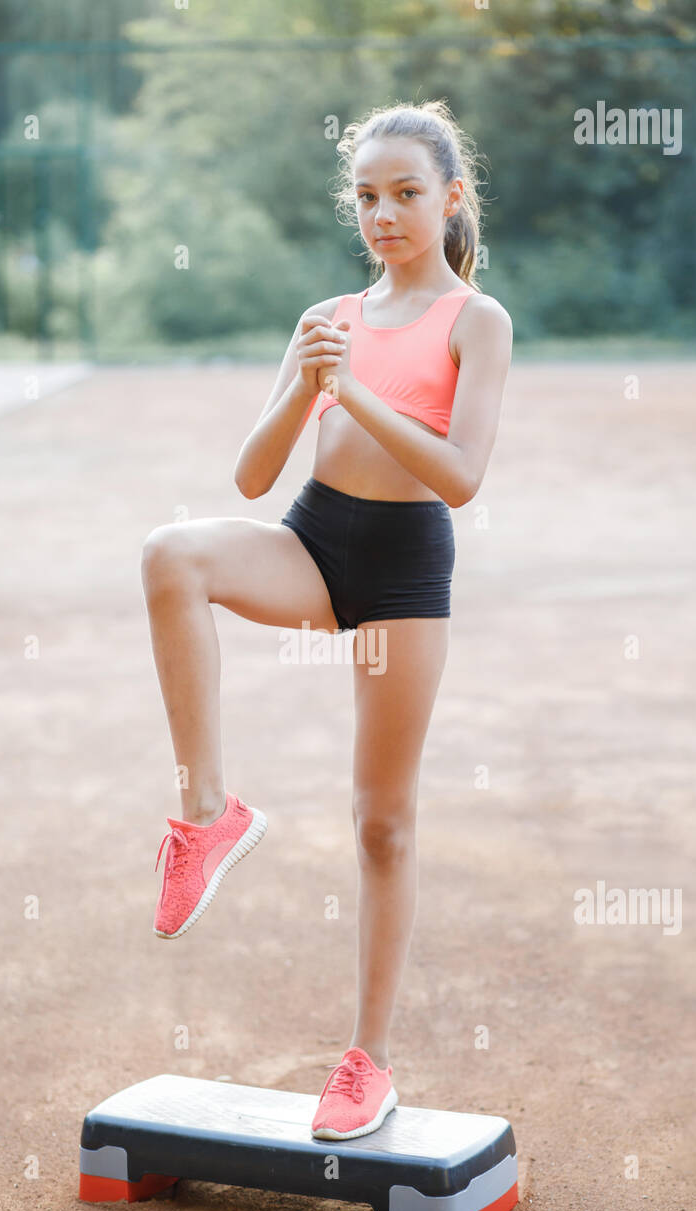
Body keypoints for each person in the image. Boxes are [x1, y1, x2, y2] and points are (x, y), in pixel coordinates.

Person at [140, 98, 512, 1141]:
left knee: (380, 821)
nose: (383, 214)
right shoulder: (326, 316)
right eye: (366, 196)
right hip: (313, 539)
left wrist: (355, 394)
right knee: (171, 554)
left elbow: (462, 477)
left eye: (404, 194)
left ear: (449, 199)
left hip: (401, 567)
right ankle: (206, 815)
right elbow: (253, 475)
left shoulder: (475, 321)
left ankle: (367, 1060)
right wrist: (304, 384)